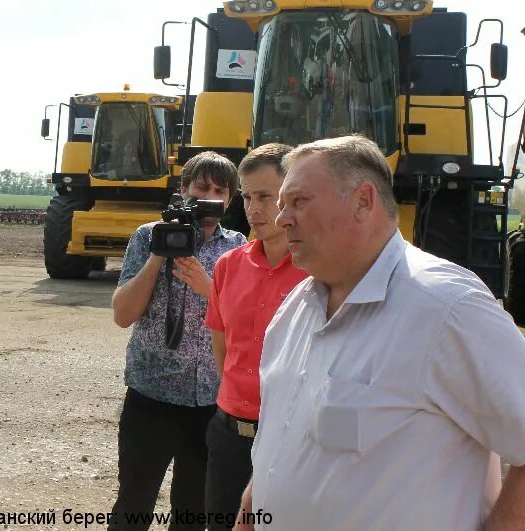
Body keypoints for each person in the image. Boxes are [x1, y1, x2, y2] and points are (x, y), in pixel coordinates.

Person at [234, 135, 525, 530]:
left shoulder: (447, 309)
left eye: (299, 202)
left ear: (363, 201)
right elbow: (283, 436)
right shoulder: (296, 308)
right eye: (282, 205)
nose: (282, 218)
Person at [109, 151, 247, 530]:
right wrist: (158, 256)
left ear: (231, 199)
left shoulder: (237, 247)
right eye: (202, 187)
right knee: (133, 504)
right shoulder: (147, 236)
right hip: (152, 395)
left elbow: (246, 325)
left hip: (210, 401)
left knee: (192, 511)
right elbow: (123, 315)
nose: (210, 197)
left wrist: (210, 289)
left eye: (221, 190)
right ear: (183, 189)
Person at [203, 144, 307, 531]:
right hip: (229, 435)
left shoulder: (318, 273)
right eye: (247, 196)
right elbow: (222, 347)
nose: (253, 208)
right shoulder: (228, 266)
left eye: (265, 196)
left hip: (290, 438)